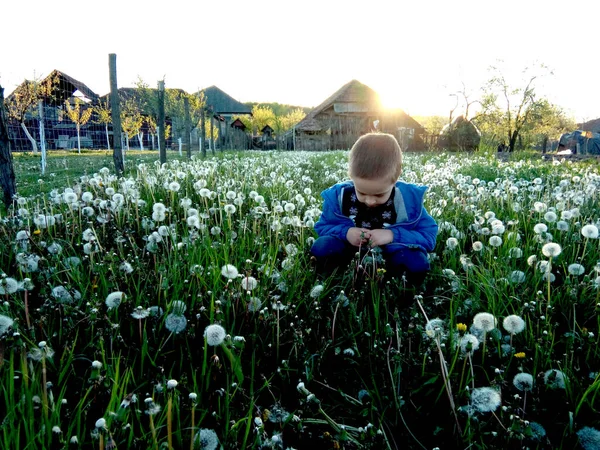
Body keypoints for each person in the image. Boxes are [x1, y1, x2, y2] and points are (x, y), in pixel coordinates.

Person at [310, 132, 438, 286]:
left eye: (379, 194)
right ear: (351, 176)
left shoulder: (408, 201)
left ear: (396, 178)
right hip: (350, 251)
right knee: (322, 248)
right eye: (362, 193)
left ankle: (395, 288)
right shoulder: (339, 198)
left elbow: (429, 237)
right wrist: (346, 233)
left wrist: (392, 235)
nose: (370, 201)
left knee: (416, 264)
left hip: (393, 252)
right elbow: (322, 227)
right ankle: (337, 282)